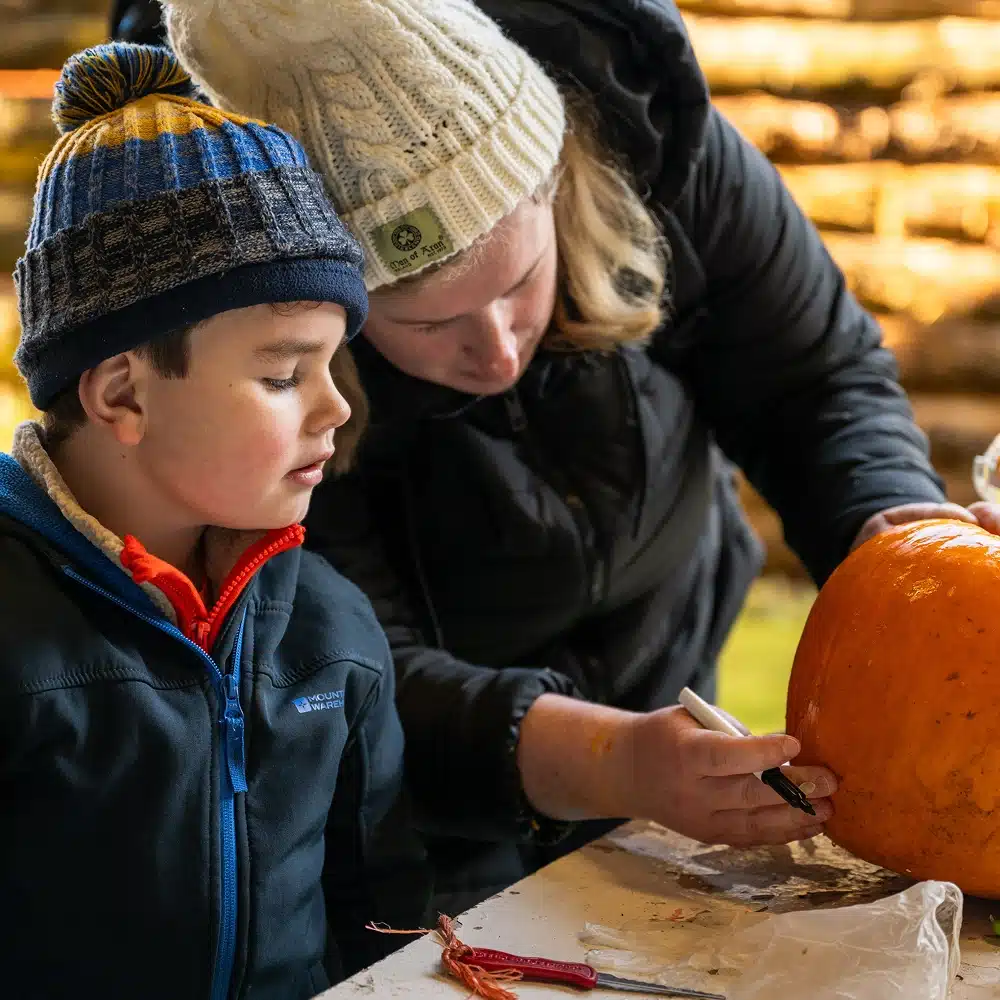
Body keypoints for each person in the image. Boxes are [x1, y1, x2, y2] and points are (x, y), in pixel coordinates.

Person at [136, 0, 1000, 916]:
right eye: (428, 322)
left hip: (664, 681)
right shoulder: (246, 374)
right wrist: (601, 758)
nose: (500, 350)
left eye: (518, 284)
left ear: (556, 187)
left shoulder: (663, 141)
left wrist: (898, 536)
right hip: (400, 811)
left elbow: (813, 381)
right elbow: (338, 662)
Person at [1, 41, 426, 997]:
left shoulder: (330, 628)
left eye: (333, 364)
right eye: (283, 374)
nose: (336, 407)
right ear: (123, 395)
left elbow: (380, 908)